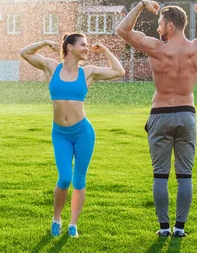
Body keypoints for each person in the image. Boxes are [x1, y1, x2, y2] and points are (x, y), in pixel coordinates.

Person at [116, 0, 197, 237]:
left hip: (161, 114)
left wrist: (140, 5)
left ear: (170, 25)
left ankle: (163, 229)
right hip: (186, 115)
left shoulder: (157, 49)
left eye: (160, 22)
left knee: (160, 175)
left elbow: (122, 30)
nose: (157, 27)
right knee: (184, 176)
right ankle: (179, 229)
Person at [19, 33, 126, 238]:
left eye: (87, 45)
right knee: (65, 178)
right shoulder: (52, 67)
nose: (86, 48)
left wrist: (104, 50)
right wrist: (43, 43)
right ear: (69, 47)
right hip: (60, 134)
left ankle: (73, 224)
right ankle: (56, 219)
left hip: (83, 132)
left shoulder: (88, 72)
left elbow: (119, 71)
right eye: (82, 45)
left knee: (79, 180)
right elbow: (24, 53)